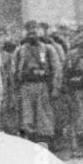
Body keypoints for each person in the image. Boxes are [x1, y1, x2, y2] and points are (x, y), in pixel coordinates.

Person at [13, 21, 61, 149]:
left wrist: (55, 88)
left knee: (44, 118)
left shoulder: (48, 49)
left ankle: (43, 147)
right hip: (26, 87)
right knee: (28, 118)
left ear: (39, 33)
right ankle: (30, 146)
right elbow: (14, 71)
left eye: (34, 32)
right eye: (29, 32)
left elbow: (56, 69)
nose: (32, 35)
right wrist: (16, 88)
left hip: (43, 86)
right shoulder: (20, 51)